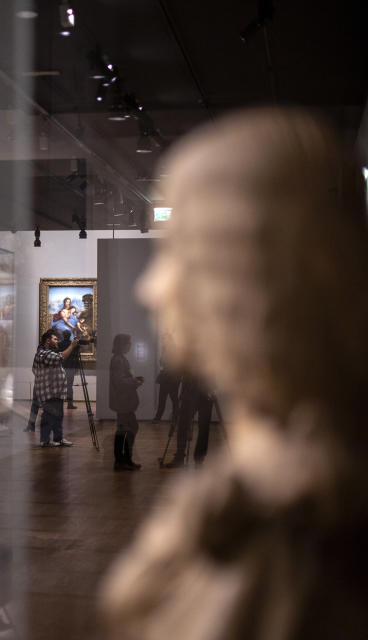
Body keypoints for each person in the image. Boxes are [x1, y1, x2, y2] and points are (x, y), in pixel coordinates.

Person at [100, 109, 368, 638]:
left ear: (246, 275)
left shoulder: (298, 527)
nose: (151, 289)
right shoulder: (261, 487)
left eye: (179, 255)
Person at [31, 328, 80, 447]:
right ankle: (45, 441)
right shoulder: (43, 353)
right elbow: (61, 357)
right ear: (48, 341)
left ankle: (58, 438)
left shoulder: (47, 353)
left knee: (58, 416)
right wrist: (72, 346)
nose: (57, 341)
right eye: (55, 339)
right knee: (48, 417)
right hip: (49, 392)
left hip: (55, 392)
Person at [109, 333, 144, 470]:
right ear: (121, 345)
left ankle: (123, 460)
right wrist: (135, 382)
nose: (129, 345)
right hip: (123, 401)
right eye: (128, 343)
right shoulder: (118, 360)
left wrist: (134, 380)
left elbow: (122, 379)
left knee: (125, 429)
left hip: (123, 401)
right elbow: (119, 382)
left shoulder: (120, 359)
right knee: (127, 429)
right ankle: (123, 460)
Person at [164, 374, 214, 467]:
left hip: (204, 392)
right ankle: (182, 457)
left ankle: (198, 459)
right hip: (192, 392)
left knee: (203, 427)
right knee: (184, 425)